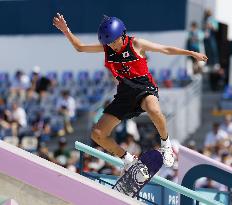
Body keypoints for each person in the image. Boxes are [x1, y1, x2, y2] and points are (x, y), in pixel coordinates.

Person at [53, 13, 208, 171]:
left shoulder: (136, 43)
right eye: (108, 43)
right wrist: (66, 30)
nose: (112, 46)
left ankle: (165, 144)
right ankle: (128, 159)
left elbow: (165, 49)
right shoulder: (107, 48)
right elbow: (80, 47)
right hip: (124, 93)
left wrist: (191, 53)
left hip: (144, 86)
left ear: (122, 35)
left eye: (114, 41)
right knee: (97, 133)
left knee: (154, 110)